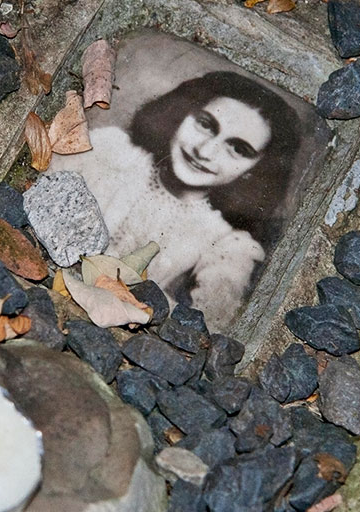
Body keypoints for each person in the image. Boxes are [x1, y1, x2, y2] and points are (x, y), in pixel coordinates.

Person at [50, 70, 304, 328]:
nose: (204, 151)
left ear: (255, 170)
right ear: (181, 113)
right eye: (205, 124)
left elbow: (201, 330)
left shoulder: (227, 246)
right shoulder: (108, 151)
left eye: (238, 149)